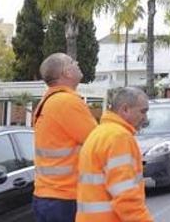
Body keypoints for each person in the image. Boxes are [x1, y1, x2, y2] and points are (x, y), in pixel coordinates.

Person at [32, 53, 98, 222]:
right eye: (72, 62)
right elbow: (98, 142)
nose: (77, 63)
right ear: (66, 73)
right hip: (65, 197)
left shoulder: (47, 102)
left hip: (47, 195)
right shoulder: (67, 102)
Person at [76, 87, 153, 222]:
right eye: (143, 112)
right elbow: (126, 196)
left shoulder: (99, 133)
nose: (145, 118)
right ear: (125, 109)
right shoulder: (119, 138)